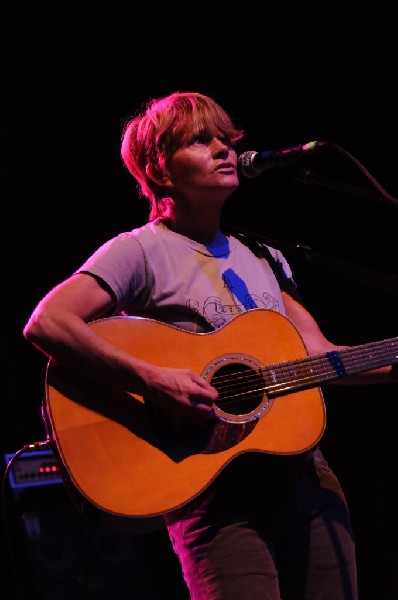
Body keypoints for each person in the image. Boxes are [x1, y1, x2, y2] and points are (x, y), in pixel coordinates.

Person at [23, 91, 397, 600]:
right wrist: (152, 380)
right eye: (202, 141)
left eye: (226, 139)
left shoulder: (265, 256)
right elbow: (48, 322)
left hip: (305, 481)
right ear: (158, 167)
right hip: (212, 494)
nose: (223, 149)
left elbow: (320, 357)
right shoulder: (140, 251)